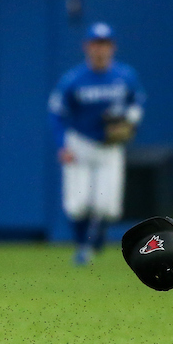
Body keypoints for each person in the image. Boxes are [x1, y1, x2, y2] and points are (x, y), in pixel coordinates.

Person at [49, 22, 145, 265]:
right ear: (86, 47)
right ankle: (83, 247)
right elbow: (57, 112)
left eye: (104, 44)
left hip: (110, 147)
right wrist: (62, 144)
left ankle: (96, 237)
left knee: (108, 207)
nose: (100, 49)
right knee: (78, 205)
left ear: (112, 47)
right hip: (80, 143)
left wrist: (130, 120)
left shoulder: (125, 76)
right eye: (95, 44)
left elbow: (138, 102)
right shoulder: (73, 79)